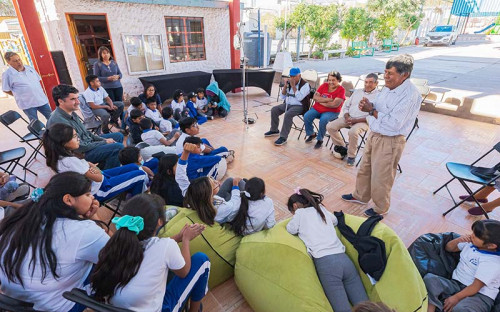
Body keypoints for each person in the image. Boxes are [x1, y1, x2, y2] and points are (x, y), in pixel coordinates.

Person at [0, 172, 109, 312]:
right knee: (107, 265)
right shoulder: (84, 232)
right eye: (88, 194)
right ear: (68, 200)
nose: (92, 197)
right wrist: (93, 216)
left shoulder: (21, 218)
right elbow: (118, 253)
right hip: (55, 306)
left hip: (14, 301)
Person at [90, 194, 210, 312]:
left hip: (116, 307)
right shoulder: (166, 246)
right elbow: (184, 272)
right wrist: (186, 240)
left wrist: (178, 237)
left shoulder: (117, 244)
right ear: (159, 222)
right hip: (159, 308)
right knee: (202, 260)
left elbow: (153, 247)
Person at [342, 54, 422, 217]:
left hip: (390, 140)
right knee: (365, 168)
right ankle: (361, 196)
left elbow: (394, 123)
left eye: (390, 73)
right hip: (375, 133)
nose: (386, 77)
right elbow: (376, 107)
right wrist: (368, 106)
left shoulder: (410, 95)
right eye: (385, 72)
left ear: (404, 75)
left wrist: (371, 110)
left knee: (382, 176)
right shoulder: (387, 87)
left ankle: (380, 208)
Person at [286, 188, 368, 312]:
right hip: (344, 260)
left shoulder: (300, 214)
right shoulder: (321, 209)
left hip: (326, 265)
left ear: (295, 205)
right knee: (366, 305)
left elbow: (291, 229)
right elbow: (334, 221)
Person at [42, 123, 147, 202]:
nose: (78, 138)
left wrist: (92, 168)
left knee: (133, 167)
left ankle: (126, 193)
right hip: (100, 190)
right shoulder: (70, 161)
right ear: (63, 143)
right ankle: (135, 203)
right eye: (74, 137)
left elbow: (90, 168)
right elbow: (98, 177)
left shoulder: (61, 156)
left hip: (99, 180)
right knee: (140, 175)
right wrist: (94, 169)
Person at [424, 220, 500, 312]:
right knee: (430, 280)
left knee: (461, 309)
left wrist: (456, 298)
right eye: (473, 233)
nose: (471, 236)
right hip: (456, 284)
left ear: (491, 246)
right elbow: (449, 248)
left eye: (476, 236)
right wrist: (458, 240)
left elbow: (475, 287)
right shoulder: (471, 244)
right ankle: (430, 309)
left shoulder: (492, 262)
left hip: (480, 295)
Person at [47, 84, 124, 169]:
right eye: (73, 99)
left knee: (118, 136)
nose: (78, 102)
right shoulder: (59, 121)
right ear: (60, 101)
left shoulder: (70, 111)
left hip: (87, 144)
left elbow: (86, 132)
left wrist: (103, 140)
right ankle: (108, 175)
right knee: (117, 147)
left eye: (77, 98)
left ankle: (106, 167)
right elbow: (79, 147)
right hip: (79, 154)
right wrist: (104, 142)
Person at [177, 142, 243, 225]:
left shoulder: (191, 195)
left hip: (218, 202)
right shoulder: (220, 209)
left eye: (212, 180)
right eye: (214, 184)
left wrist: (185, 152)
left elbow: (180, 177)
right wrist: (236, 185)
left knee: (230, 180)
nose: (217, 182)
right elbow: (235, 204)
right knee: (241, 187)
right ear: (209, 194)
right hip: (231, 210)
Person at [327, 73, 380, 166]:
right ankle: (342, 147)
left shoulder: (379, 96)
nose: (367, 84)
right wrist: (347, 116)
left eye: (371, 82)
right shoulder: (357, 91)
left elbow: (374, 115)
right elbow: (346, 105)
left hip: (363, 121)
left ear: (376, 83)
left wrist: (355, 121)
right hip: (349, 117)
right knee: (330, 126)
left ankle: (351, 156)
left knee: (352, 132)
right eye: (366, 82)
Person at [264, 67, 311, 146]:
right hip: (288, 104)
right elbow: (282, 97)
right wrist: (285, 86)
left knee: (288, 114)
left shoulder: (305, 85)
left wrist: (293, 86)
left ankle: (283, 137)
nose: (292, 78)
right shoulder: (289, 83)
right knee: (274, 110)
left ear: (299, 76)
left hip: (300, 105)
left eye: (294, 76)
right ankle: (274, 130)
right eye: (291, 76)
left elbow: (299, 98)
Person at [2, 51, 52, 121]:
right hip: (27, 104)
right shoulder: (7, 74)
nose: (19, 62)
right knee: (35, 123)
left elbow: (38, 80)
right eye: (15, 61)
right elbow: (6, 89)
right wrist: (19, 95)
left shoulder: (29, 68)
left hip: (41, 100)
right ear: (9, 63)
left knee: (52, 118)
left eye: (19, 59)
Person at [304, 71, 346, 149]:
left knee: (323, 120)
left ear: (338, 80)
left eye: (333, 80)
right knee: (307, 116)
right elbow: (315, 97)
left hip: (332, 111)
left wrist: (320, 101)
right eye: (329, 80)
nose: (331, 82)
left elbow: (335, 105)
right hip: (317, 108)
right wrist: (329, 100)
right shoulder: (324, 85)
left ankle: (320, 139)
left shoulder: (341, 90)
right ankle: (312, 134)